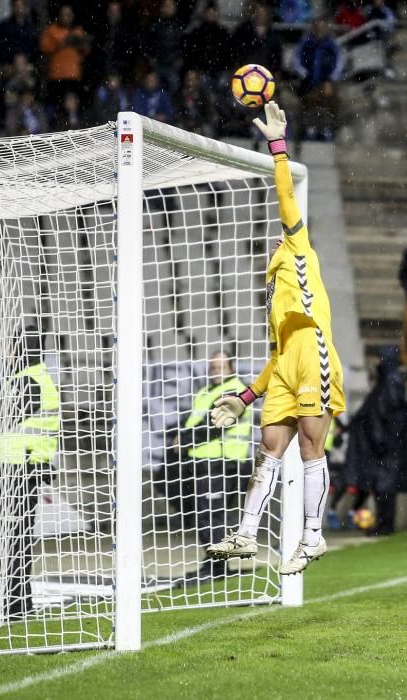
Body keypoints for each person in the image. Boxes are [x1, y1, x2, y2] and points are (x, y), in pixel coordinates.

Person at [208, 102, 346, 575]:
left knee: (311, 446)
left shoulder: (298, 248)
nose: (274, 238)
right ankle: (247, 533)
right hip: (286, 362)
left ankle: (312, 536)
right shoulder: (270, 292)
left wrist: (278, 147)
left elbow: (286, 198)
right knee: (269, 449)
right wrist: (246, 395)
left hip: (314, 352)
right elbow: (276, 356)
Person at [0, 326, 60, 621]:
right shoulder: (31, 378)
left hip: (18, 470)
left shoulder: (29, 381)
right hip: (17, 468)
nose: (12, 352)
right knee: (17, 539)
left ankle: (14, 605)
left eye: (15, 345)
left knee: (15, 540)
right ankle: (18, 602)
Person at [178, 351, 252, 582]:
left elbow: (216, 423)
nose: (216, 371)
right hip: (203, 460)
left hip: (222, 461)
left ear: (231, 368)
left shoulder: (234, 391)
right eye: (213, 367)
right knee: (205, 515)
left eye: (221, 367)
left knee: (213, 516)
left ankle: (218, 567)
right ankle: (211, 563)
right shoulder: (205, 391)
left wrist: (185, 439)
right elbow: (194, 419)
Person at [345, 346, 406, 535]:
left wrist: (380, 441)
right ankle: (384, 524)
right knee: (382, 487)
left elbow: (385, 414)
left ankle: (385, 525)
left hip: (386, 447)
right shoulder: (388, 381)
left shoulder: (390, 382)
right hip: (386, 445)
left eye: (379, 358)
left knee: (384, 487)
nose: (375, 362)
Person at [293, 17, 344, 141]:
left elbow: (340, 61)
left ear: (326, 29)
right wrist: (304, 73)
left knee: (327, 98)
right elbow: (296, 59)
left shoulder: (332, 44)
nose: (320, 31)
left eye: (323, 28)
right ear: (314, 29)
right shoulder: (306, 43)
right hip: (308, 79)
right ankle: (310, 128)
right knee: (310, 100)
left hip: (326, 79)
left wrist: (332, 77)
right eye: (318, 28)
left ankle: (326, 127)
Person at [0, 0, 39, 127]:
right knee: (7, 103)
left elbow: (36, 49)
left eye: (22, 6)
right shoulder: (3, 26)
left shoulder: (31, 28)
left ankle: (29, 129)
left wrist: (26, 62)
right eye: (16, 6)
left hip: (27, 72)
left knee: (29, 102)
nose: (19, 9)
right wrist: (11, 61)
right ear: (12, 7)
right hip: (9, 71)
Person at [40, 4, 91, 109]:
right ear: (59, 16)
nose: (66, 17)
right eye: (64, 15)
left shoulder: (78, 31)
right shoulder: (51, 30)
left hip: (74, 76)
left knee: (74, 107)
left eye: (69, 15)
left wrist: (80, 43)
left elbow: (86, 51)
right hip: (57, 76)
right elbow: (45, 48)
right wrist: (62, 43)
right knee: (58, 107)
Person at [232, 4, 282, 78]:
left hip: (266, 74)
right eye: (259, 13)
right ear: (254, 14)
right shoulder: (243, 31)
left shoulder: (273, 36)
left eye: (264, 13)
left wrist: (275, 73)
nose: (261, 16)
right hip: (245, 72)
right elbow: (236, 51)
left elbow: (277, 58)